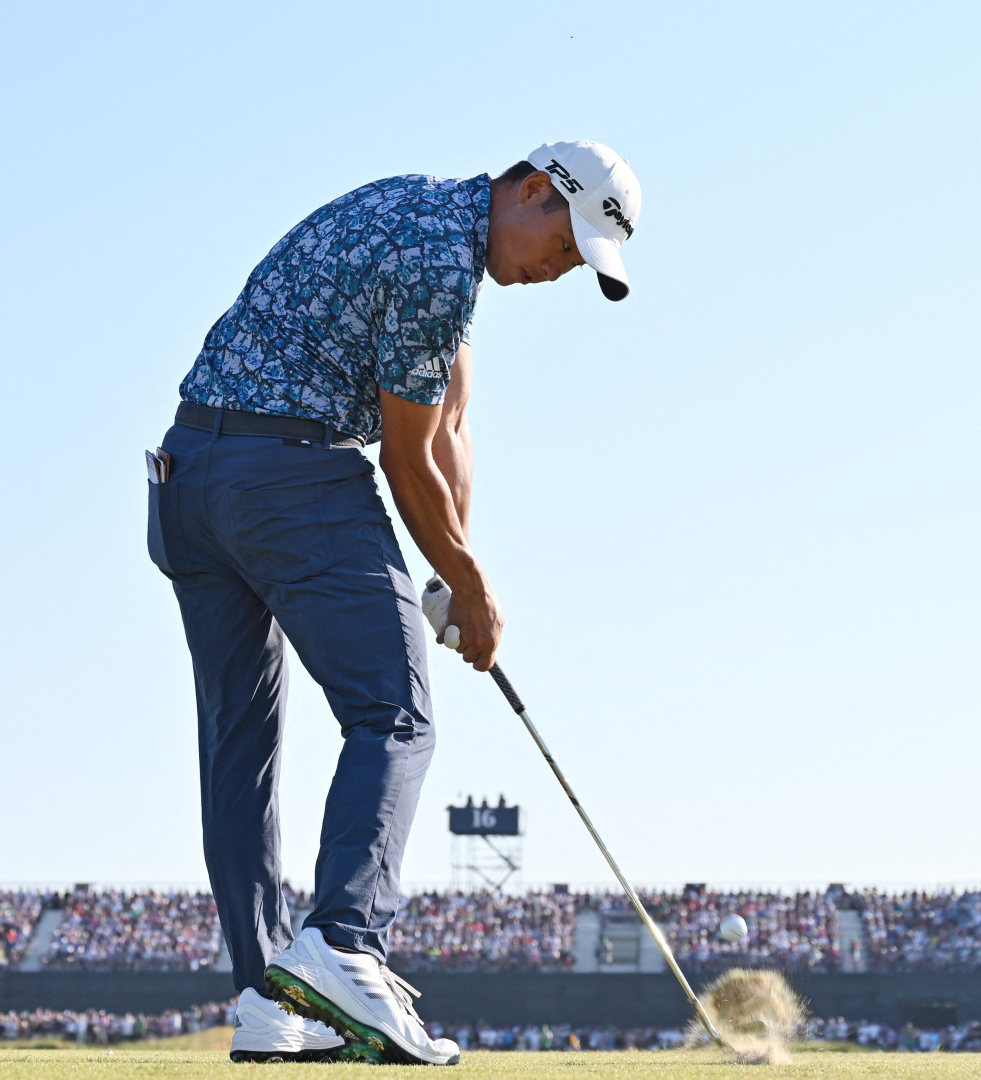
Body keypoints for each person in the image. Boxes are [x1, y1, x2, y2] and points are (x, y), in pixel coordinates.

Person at [148, 141, 640, 1065]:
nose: (559, 270)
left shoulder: (422, 218)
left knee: (242, 752)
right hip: (288, 477)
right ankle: (344, 943)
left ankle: (267, 1000)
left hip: (189, 479)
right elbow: (405, 461)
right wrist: (477, 589)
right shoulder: (436, 265)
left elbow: (447, 423)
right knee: (396, 716)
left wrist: (456, 567)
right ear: (534, 190)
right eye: (566, 246)